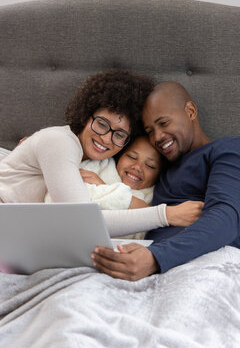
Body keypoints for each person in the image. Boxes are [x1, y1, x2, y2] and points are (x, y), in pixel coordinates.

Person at [0, 71, 202, 264]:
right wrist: (166, 215)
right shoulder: (60, 142)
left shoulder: (97, 163)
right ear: (86, 116)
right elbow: (82, 223)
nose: (106, 138)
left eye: (120, 134)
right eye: (102, 124)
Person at [91, 81, 240, 281]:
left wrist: (155, 257)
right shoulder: (159, 165)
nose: (158, 137)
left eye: (163, 123)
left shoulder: (227, 150)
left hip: (198, 264)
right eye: (150, 130)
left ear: (190, 111)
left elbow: (225, 219)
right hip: (144, 263)